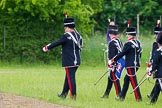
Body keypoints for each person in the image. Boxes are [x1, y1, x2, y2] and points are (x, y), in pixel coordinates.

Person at [42, 17, 83, 100]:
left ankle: (73, 96)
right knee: (68, 77)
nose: (64, 29)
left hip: (69, 60)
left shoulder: (66, 36)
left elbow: (57, 42)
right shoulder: (79, 36)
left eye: (65, 28)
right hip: (77, 60)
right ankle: (63, 94)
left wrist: (47, 47)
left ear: (67, 27)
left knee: (71, 78)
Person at [109, 27, 142, 102]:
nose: (127, 36)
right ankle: (121, 97)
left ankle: (138, 98)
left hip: (130, 65)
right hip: (136, 64)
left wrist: (113, 60)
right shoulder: (138, 43)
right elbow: (140, 53)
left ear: (130, 35)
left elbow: (122, 53)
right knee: (126, 80)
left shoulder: (128, 44)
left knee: (134, 81)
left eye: (127, 35)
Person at [101, 25, 123, 98]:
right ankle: (106, 94)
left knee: (115, 78)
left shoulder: (111, 42)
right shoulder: (119, 41)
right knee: (110, 78)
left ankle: (119, 94)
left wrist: (111, 64)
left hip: (115, 64)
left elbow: (111, 55)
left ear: (110, 34)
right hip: (120, 62)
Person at [147, 24, 162, 99]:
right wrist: (150, 62)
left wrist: (152, 66)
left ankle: (153, 96)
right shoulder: (155, 43)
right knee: (158, 81)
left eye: (156, 34)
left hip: (158, 64)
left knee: (159, 80)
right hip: (156, 64)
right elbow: (152, 54)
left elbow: (155, 55)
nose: (155, 35)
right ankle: (152, 96)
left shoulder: (157, 44)